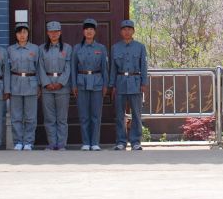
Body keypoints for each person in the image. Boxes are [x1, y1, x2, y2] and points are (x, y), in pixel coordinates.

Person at [109, 19, 148, 151]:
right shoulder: (115, 48)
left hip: (135, 82)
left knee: (136, 114)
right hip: (120, 82)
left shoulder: (140, 47)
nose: (127, 31)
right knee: (120, 114)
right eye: (124, 29)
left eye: (129, 29)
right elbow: (113, 68)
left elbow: (144, 66)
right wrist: (112, 84)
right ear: (121, 32)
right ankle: (121, 141)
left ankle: (136, 141)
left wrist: (144, 83)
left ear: (133, 31)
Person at [72, 18, 108, 151]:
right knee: (83, 114)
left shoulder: (101, 48)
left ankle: (95, 142)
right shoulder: (77, 48)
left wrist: (105, 85)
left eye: (91, 29)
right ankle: (86, 142)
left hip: (97, 82)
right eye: (87, 29)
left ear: (95, 32)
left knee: (96, 115)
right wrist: (74, 85)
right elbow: (73, 67)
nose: (89, 32)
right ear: (83, 31)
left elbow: (105, 68)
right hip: (81, 82)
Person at [39, 21, 72, 150]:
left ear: (60, 32)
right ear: (47, 33)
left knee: (62, 118)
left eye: (56, 31)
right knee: (49, 118)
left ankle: (62, 144)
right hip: (47, 86)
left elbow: (68, 67)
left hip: (62, 87)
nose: (54, 34)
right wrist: (46, 83)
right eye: (51, 32)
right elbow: (40, 67)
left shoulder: (67, 48)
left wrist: (60, 83)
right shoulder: (42, 49)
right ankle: (52, 143)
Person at [7, 22, 40, 150]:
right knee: (16, 116)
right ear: (16, 34)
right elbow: (7, 70)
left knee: (31, 116)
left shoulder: (35, 49)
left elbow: (39, 68)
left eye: (24, 32)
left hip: (31, 83)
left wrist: (39, 85)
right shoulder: (10, 50)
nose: (22, 35)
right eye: (19, 32)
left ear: (28, 34)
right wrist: (7, 88)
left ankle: (28, 142)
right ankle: (18, 141)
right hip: (15, 83)